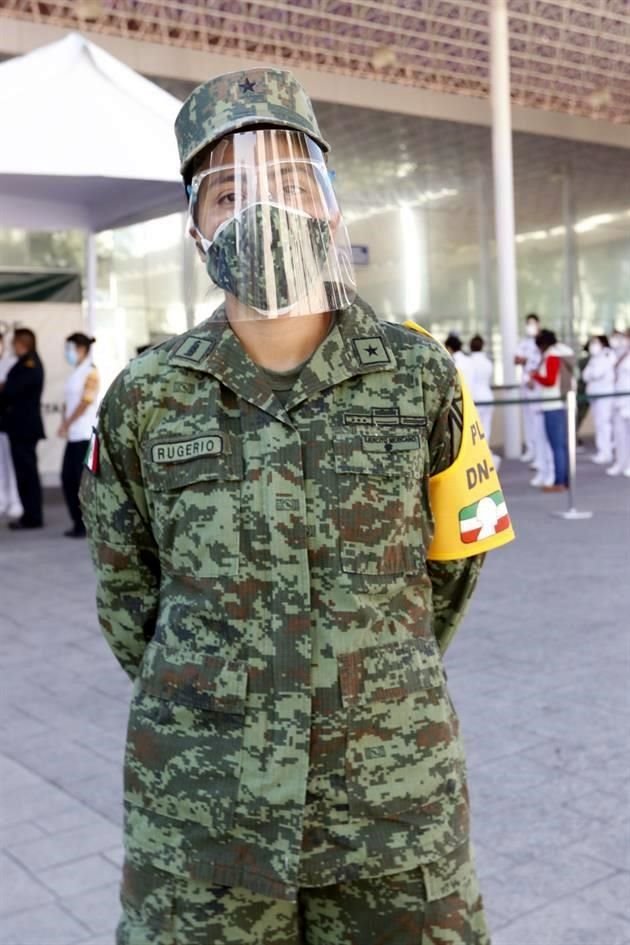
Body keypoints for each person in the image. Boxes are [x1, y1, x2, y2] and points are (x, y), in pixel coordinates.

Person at [81, 67, 514, 945]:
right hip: (202, 812)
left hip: (391, 809)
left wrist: (369, 675)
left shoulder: (420, 376)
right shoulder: (146, 395)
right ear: (196, 227)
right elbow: (128, 598)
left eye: (290, 181)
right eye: (229, 193)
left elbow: (452, 568)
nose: (264, 209)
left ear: (329, 202)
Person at [0, 327, 45, 529]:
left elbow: (12, 390)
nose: (12, 346)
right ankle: (29, 514)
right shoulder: (24, 363)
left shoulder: (29, 364)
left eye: (14, 342)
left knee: (27, 474)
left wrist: (3, 389)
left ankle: (33, 517)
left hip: (24, 427)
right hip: (19, 427)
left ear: (22, 344)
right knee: (23, 473)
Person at [58, 332, 99, 537]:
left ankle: (87, 524)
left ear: (81, 349)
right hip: (74, 435)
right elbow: (69, 402)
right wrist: (65, 423)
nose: (67, 353)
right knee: (68, 479)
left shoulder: (91, 372)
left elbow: (85, 402)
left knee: (82, 481)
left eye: (70, 348)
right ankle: (78, 522)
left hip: (85, 434)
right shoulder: (76, 372)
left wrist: (67, 422)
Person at [529, 329, 574, 493]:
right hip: (556, 404)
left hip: (552, 405)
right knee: (560, 445)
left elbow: (550, 380)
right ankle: (565, 479)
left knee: (557, 445)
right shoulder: (555, 354)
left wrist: (535, 376)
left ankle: (559, 481)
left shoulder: (552, 356)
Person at [582, 334, 615, 465]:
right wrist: (591, 374)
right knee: (598, 424)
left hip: (604, 395)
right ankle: (602, 450)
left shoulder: (607, 355)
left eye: (595, 342)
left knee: (604, 424)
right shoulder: (594, 357)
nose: (593, 345)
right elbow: (585, 375)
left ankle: (606, 452)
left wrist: (591, 373)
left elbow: (597, 374)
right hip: (594, 395)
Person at [0, 333, 23, 521]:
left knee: (12, 464)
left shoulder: (12, 363)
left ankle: (15, 501)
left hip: (8, 423)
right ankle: (2, 500)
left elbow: (10, 390)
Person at [514, 312, 541, 463]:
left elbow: (541, 362)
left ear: (538, 324)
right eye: (528, 324)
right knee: (527, 418)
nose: (530, 326)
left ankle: (539, 452)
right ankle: (531, 449)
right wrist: (524, 360)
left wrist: (527, 360)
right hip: (525, 383)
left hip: (537, 384)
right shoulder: (524, 342)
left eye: (532, 323)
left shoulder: (541, 341)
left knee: (537, 419)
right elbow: (516, 359)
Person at [607, 328, 630, 477]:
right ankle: (621, 462)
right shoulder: (620, 355)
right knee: (619, 435)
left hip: (628, 400)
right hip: (618, 400)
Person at [468, 334, 494, 442]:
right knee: (486, 426)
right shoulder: (488, 362)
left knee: (474, 428)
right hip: (487, 396)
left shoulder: (468, 362)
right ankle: (486, 449)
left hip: (475, 397)